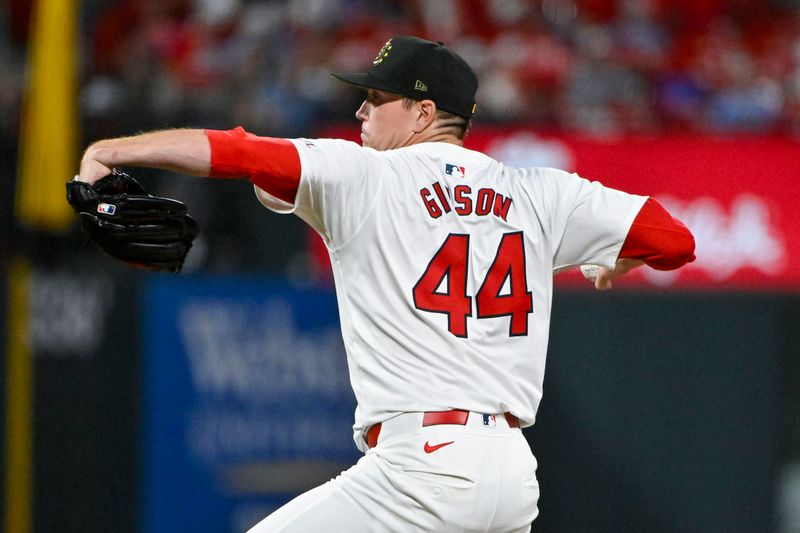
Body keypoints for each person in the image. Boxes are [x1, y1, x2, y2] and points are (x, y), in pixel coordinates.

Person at [77, 36, 695, 532]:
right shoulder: (543, 192)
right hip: (511, 477)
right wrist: (621, 260)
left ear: (423, 113)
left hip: (421, 470)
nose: (360, 111)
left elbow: (239, 152)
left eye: (377, 98)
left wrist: (113, 151)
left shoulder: (366, 177)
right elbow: (675, 240)